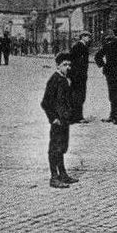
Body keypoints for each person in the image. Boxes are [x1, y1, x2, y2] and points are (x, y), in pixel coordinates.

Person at [41, 52, 78, 189]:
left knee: (62, 147)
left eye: (69, 65)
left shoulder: (65, 79)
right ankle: (54, 177)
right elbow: (45, 102)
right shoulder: (54, 80)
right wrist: (53, 118)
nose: (68, 67)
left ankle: (63, 174)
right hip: (57, 121)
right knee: (54, 148)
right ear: (58, 65)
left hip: (65, 120)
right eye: (64, 65)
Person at [68, 32, 92, 123]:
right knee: (79, 96)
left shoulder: (81, 46)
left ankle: (74, 116)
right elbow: (74, 61)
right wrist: (76, 74)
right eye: (87, 37)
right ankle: (77, 117)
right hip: (78, 75)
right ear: (83, 37)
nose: (89, 39)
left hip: (78, 75)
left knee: (78, 96)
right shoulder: (79, 46)